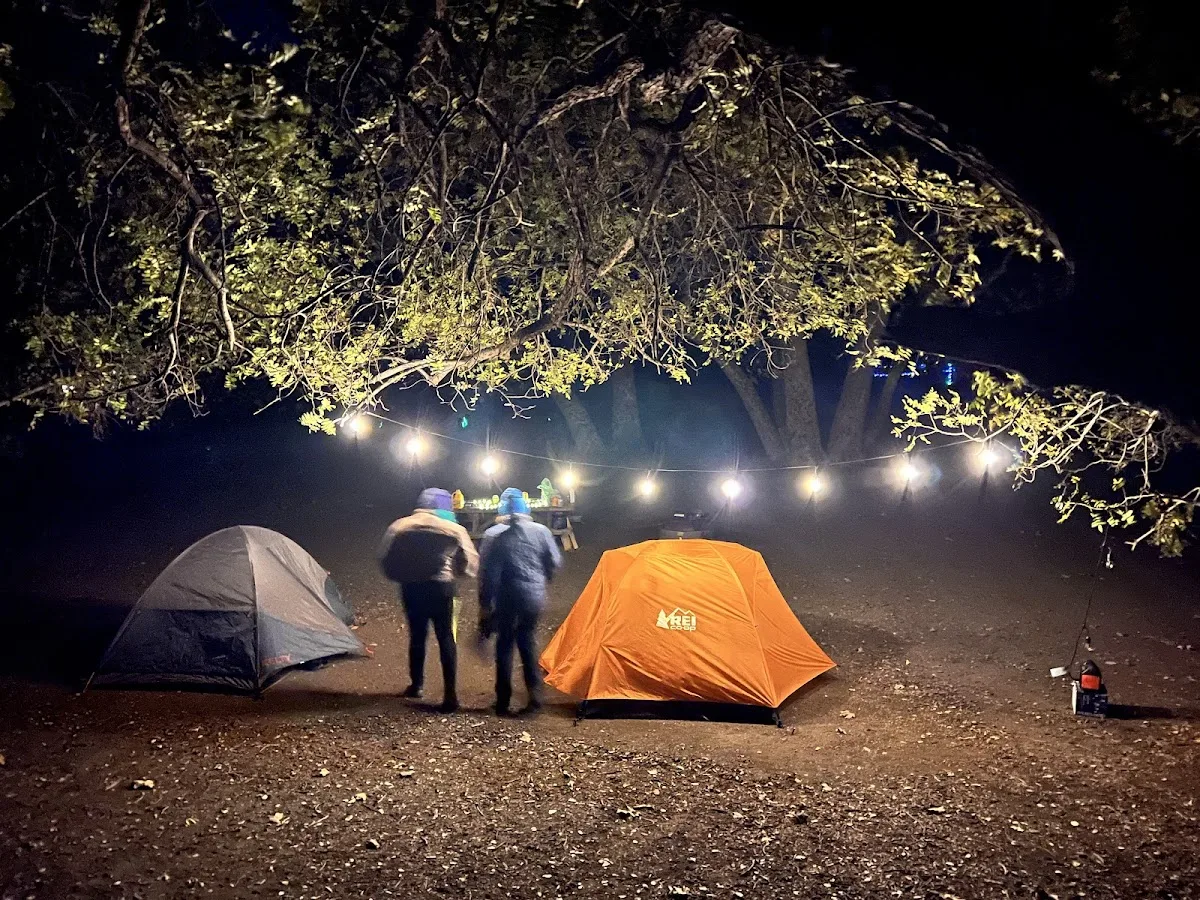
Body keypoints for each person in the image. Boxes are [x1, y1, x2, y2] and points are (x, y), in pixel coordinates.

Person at [378, 488, 478, 712]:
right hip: (443, 589)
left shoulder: (400, 526)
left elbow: (385, 559)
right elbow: (471, 564)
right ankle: (450, 695)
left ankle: (417, 685)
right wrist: (457, 573)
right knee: (446, 640)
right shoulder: (454, 529)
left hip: (412, 589)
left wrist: (401, 576)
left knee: (417, 637)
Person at [478, 487, 563, 716]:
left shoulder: (494, 535)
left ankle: (503, 700)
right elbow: (555, 561)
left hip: (506, 598)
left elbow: (488, 574)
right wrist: (543, 579)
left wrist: (485, 606)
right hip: (533, 598)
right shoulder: (542, 531)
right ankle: (535, 698)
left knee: (504, 645)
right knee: (528, 642)